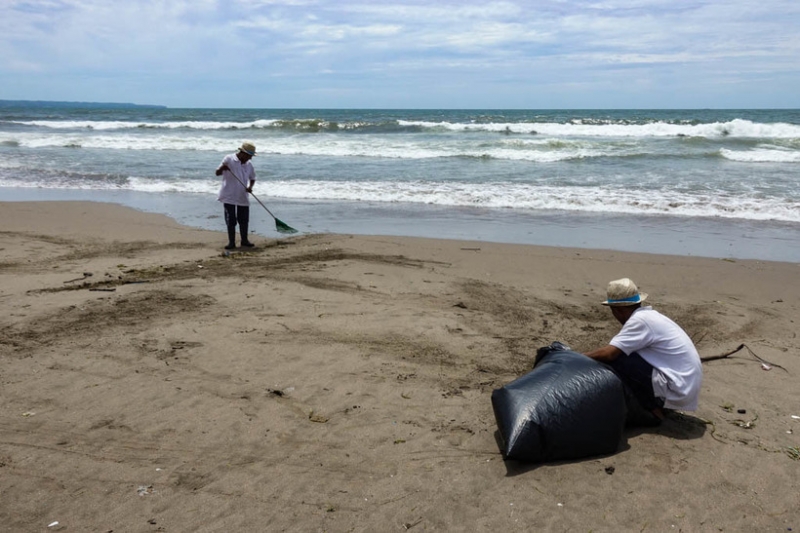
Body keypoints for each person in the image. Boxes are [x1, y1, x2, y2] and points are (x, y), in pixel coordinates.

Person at [583, 278, 703, 421]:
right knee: (626, 354)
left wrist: (575, 357)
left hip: (678, 388)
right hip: (684, 384)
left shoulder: (639, 321)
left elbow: (609, 354)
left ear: (617, 310)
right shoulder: (650, 316)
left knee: (620, 359)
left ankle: (654, 409)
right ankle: (656, 403)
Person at [216, 142, 257, 250]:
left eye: (251, 156)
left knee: (244, 219)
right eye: (249, 156)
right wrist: (223, 168)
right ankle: (231, 242)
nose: (250, 158)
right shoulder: (229, 159)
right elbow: (217, 173)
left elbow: (252, 178)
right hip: (228, 194)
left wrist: (250, 187)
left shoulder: (249, 165)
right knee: (231, 219)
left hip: (242, 195)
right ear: (242, 153)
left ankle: (244, 240)